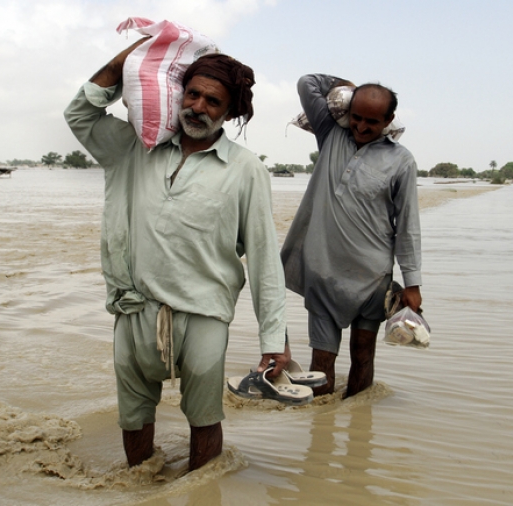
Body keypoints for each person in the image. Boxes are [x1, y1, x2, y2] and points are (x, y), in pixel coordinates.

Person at [64, 38, 289, 472]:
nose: (198, 107)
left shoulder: (246, 169)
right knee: (132, 417)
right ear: (179, 94)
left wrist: (272, 341)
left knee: (204, 418)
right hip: (134, 307)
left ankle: (201, 487)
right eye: (192, 94)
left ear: (230, 111)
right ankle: (141, 486)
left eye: (212, 101)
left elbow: (263, 259)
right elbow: (79, 113)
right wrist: (122, 62)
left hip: (203, 312)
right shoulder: (135, 147)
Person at [280, 74, 422, 398]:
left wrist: (412, 284)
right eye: (355, 116)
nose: (360, 126)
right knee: (321, 362)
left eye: (372, 121)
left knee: (362, 355)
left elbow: (408, 227)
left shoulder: (401, 161)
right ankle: (322, 435)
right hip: (323, 273)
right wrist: (348, 85)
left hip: (372, 280)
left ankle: (359, 428)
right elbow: (306, 84)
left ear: (388, 121)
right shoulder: (331, 135)